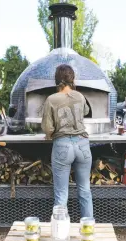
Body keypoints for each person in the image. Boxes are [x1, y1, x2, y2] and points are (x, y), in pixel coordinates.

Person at [41, 64, 93, 217]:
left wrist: (49, 135)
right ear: (72, 79)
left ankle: (61, 234)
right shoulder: (80, 96)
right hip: (83, 144)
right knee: (85, 190)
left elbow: (47, 128)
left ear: (56, 80)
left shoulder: (51, 99)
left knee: (61, 194)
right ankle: (88, 231)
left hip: (62, 145)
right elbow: (86, 112)